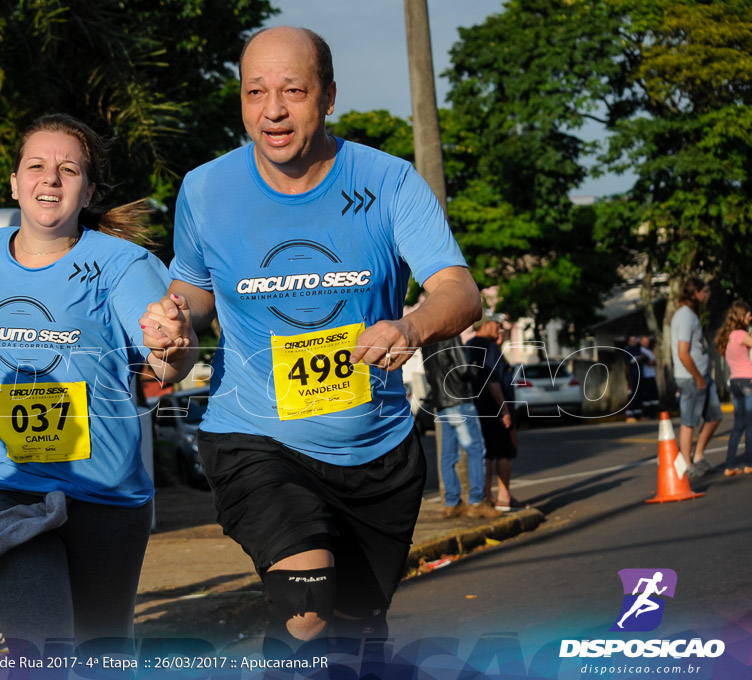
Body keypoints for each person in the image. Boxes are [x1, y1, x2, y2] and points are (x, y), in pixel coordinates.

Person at [141, 26, 481, 654]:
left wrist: (411, 325)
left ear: (328, 97)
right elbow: (192, 296)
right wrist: (173, 324)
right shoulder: (206, 190)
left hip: (375, 449)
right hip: (255, 437)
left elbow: (460, 290)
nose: (273, 110)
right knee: (306, 606)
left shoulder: (388, 181)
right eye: (255, 92)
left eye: (293, 91)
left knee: (356, 633)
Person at [0, 114, 192, 656]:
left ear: (90, 190)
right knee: (42, 652)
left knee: (102, 655)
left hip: (105, 493)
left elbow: (166, 362)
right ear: (14, 182)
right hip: (2, 485)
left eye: (68, 169)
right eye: (36, 166)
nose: (50, 179)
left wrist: (174, 345)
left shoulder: (123, 265)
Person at [419, 338, 501, 519]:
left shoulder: (427, 341)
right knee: (476, 450)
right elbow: (462, 369)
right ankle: (477, 501)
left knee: (447, 456)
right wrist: (473, 369)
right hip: (459, 401)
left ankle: (452, 503)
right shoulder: (450, 336)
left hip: (441, 403)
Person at [466, 318, 524, 512]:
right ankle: (504, 497)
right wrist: (504, 409)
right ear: (484, 325)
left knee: (486, 454)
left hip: (477, 408)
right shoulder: (489, 347)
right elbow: (492, 381)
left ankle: (487, 496)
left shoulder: (469, 345)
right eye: (495, 324)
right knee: (504, 452)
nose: (499, 327)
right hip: (494, 409)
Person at [670, 277, 721, 479]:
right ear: (696, 292)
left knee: (715, 416)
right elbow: (683, 352)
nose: (706, 295)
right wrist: (698, 377)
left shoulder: (691, 315)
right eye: (704, 292)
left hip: (702, 375)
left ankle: (698, 455)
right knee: (689, 421)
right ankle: (687, 463)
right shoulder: (684, 315)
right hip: (691, 378)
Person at [714, 301, 752, 476]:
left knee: (738, 426)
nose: (750, 317)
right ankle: (749, 463)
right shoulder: (741, 334)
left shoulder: (728, 336)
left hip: (735, 382)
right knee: (750, 424)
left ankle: (729, 465)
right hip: (747, 382)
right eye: (748, 315)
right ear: (740, 316)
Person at [638, 336, 658, 418]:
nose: (646, 343)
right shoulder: (640, 351)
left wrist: (651, 362)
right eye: (644, 341)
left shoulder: (649, 351)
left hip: (652, 375)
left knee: (654, 396)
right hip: (645, 377)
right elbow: (648, 362)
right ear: (641, 342)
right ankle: (646, 414)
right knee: (647, 396)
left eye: (647, 341)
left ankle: (653, 413)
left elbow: (654, 362)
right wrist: (650, 361)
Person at [624, 336, 642, 421]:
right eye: (632, 340)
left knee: (638, 394)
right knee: (631, 394)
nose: (634, 342)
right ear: (628, 341)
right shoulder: (627, 349)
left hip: (638, 374)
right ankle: (630, 415)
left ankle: (637, 414)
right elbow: (629, 361)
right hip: (631, 375)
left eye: (635, 340)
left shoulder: (637, 349)